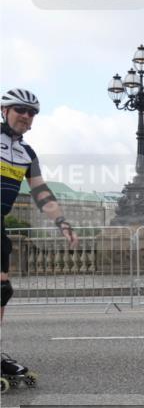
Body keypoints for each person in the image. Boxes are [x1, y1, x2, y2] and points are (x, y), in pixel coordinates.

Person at [1, 88, 78, 389]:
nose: (26, 116)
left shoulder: (27, 154)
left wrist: (62, 222)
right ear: (4, 110)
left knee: (2, 291)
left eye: (32, 112)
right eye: (20, 109)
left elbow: (40, 191)